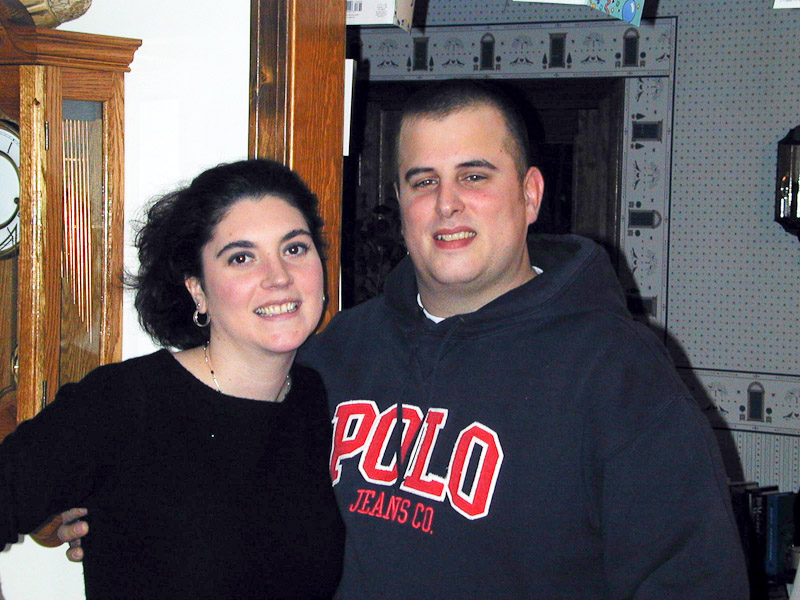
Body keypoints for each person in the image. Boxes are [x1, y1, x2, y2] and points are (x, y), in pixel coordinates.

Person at [60, 80, 748, 599]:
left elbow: (692, 581)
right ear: (400, 202)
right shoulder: (334, 351)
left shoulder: (619, 371)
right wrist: (98, 499)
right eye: (424, 182)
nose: (447, 204)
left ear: (530, 194)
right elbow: (222, 467)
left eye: (474, 176)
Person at [0, 159, 344, 599]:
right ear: (198, 290)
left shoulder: (323, 399)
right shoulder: (124, 403)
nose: (278, 277)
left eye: (294, 249)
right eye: (241, 257)